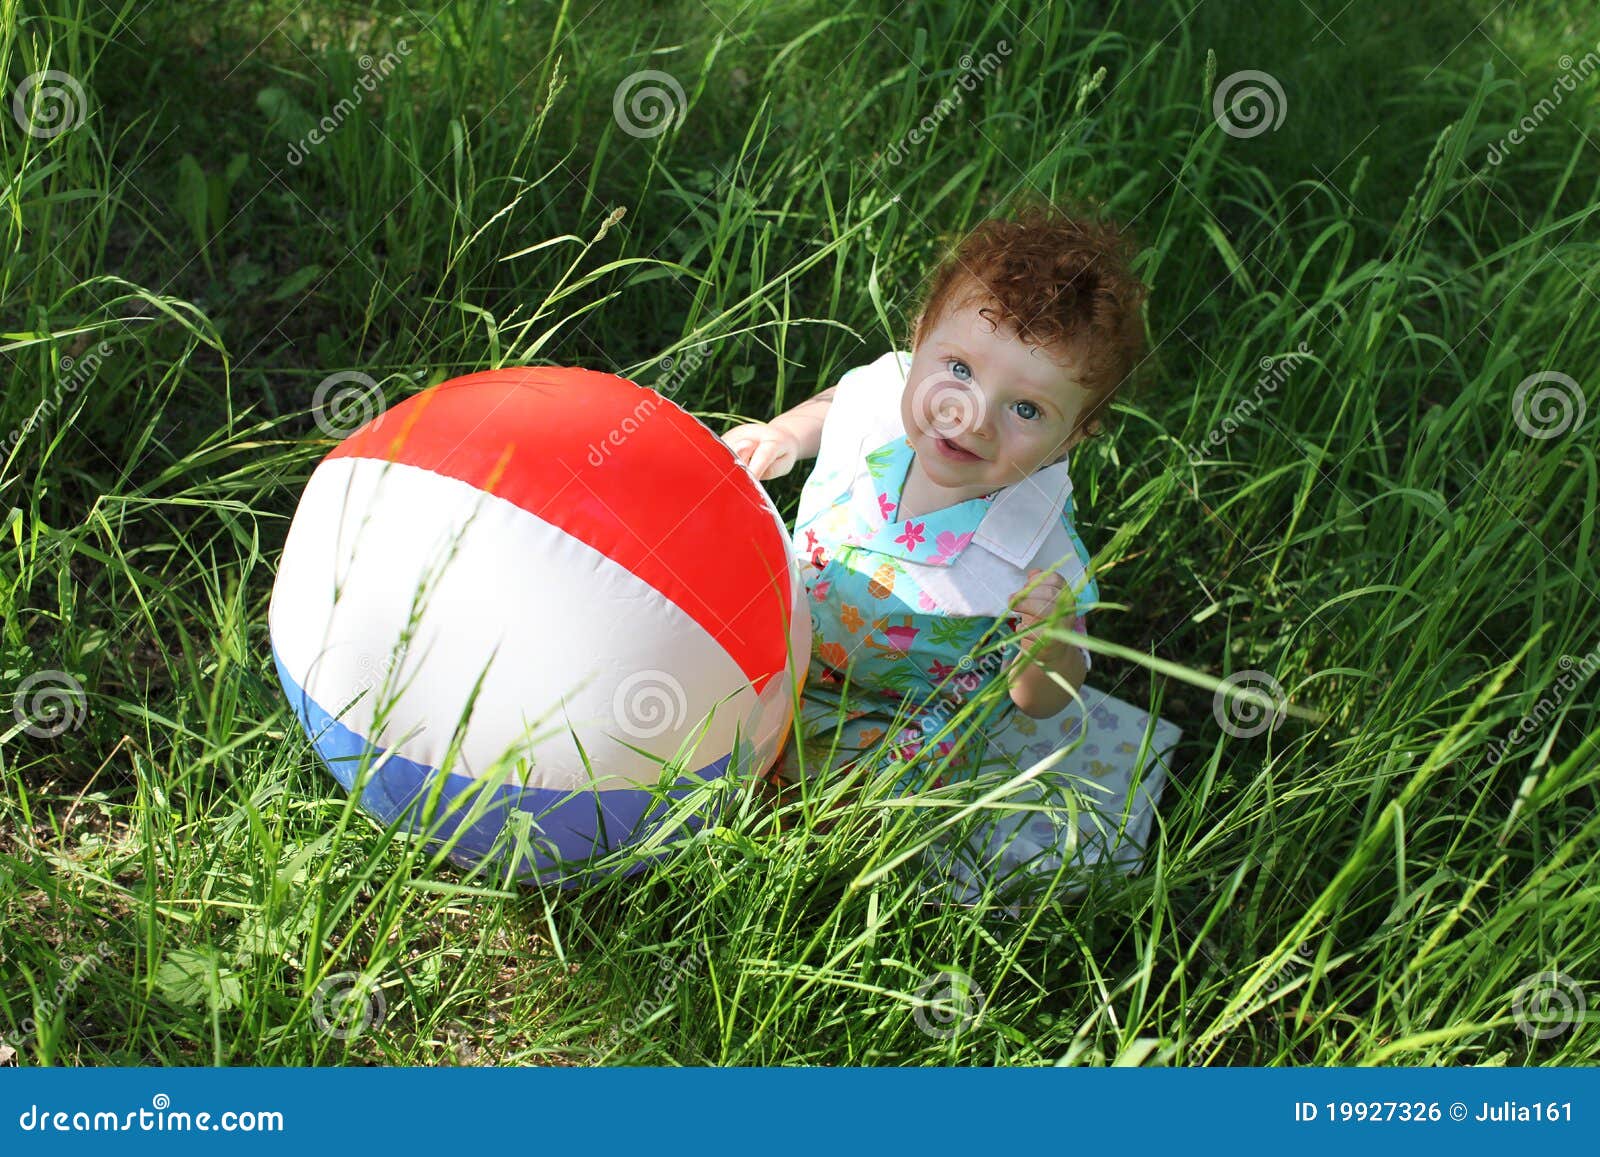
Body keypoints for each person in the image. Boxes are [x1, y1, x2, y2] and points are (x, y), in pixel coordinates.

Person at [721, 203, 1181, 905]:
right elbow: (841, 402)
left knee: (837, 814)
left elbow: (1043, 702)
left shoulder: (1038, 547)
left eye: (1026, 410)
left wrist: (1045, 641)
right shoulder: (885, 397)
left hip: (893, 712)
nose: (970, 414)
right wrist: (786, 435)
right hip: (790, 632)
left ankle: (788, 881)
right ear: (920, 340)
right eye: (958, 367)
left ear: (1075, 437)